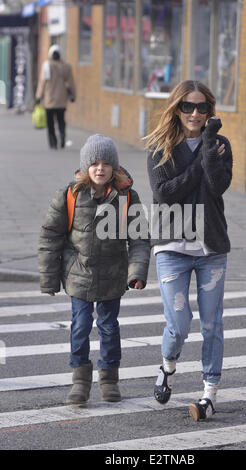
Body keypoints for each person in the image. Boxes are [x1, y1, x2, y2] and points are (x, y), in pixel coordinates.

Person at [38, 134, 150, 405]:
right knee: (80, 325)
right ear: (86, 167)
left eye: (106, 163)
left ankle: (109, 378)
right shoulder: (70, 194)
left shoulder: (126, 197)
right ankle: (80, 379)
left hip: (113, 275)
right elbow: (50, 236)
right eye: (95, 163)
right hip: (79, 274)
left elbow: (139, 239)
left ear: (114, 168)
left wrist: (137, 272)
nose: (100, 168)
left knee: (109, 327)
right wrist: (49, 278)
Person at [145, 80, 233, 421]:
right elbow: (165, 194)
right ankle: (168, 365)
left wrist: (209, 145)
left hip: (212, 246)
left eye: (202, 108)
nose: (195, 113)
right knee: (179, 323)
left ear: (210, 111)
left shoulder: (220, 143)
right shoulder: (159, 146)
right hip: (171, 247)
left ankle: (209, 393)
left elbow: (217, 186)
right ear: (176, 109)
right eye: (187, 107)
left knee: (212, 324)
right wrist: (200, 164)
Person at [35, 44, 76, 149]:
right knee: (61, 120)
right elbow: (71, 83)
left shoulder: (47, 65)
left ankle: (53, 142)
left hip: (49, 100)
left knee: (50, 123)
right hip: (61, 100)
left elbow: (42, 82)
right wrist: (73, 95)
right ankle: (62, 135)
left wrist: (38, 96)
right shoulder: (66, 66)